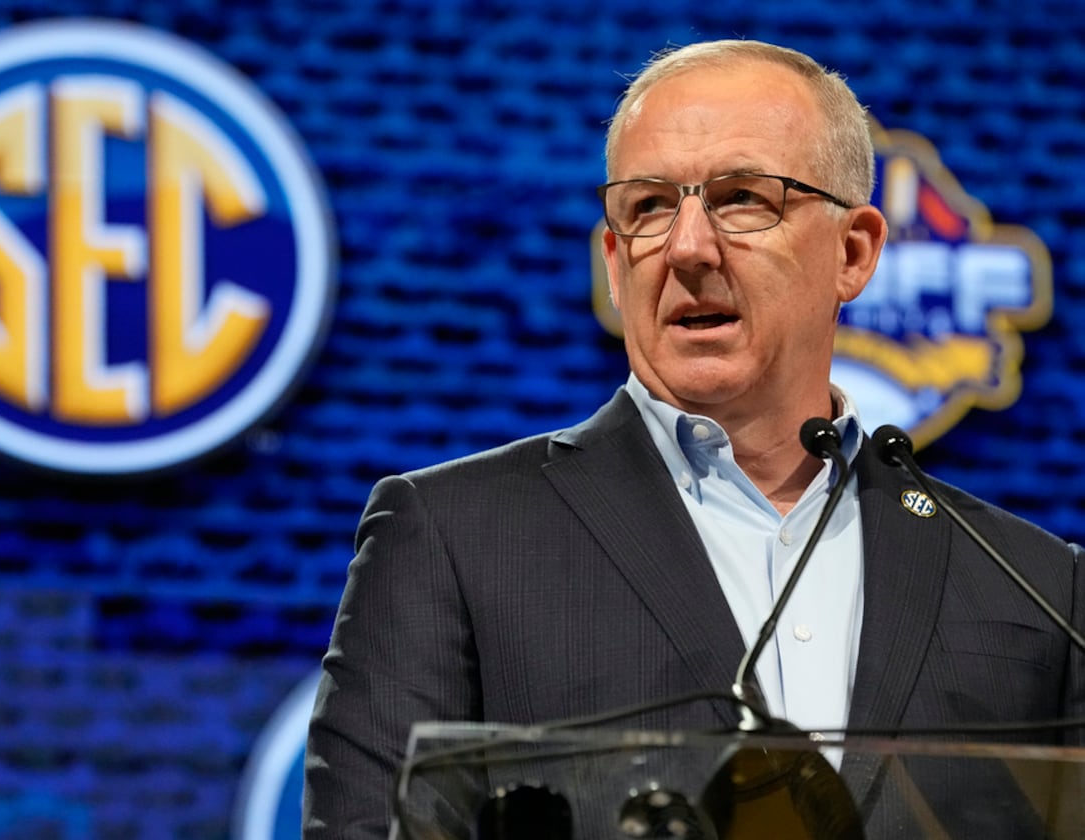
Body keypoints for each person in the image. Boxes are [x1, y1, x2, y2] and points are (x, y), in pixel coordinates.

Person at [303, 39, 1085, 839]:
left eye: (742, 198)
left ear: (853, 253)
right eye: (647, 207)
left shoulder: (1037, 589)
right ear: (614, 260)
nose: (686, 247)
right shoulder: (455, 538)